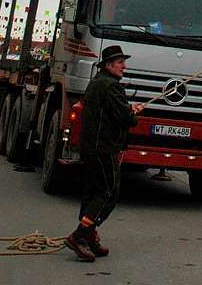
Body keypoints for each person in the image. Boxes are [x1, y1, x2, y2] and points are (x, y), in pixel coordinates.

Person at [64, 45, 145, 262]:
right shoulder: (112, 87)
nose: (124, 67)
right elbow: (125, 118)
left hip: (90, 146)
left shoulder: (96, 83)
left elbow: (109, 112)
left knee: (92, 191)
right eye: (120, 63)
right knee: (108, 193)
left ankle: (89, 235)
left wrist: (127, 110)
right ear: (109, 65)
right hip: (105, 148)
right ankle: (80, 235)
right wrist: (133, 113)